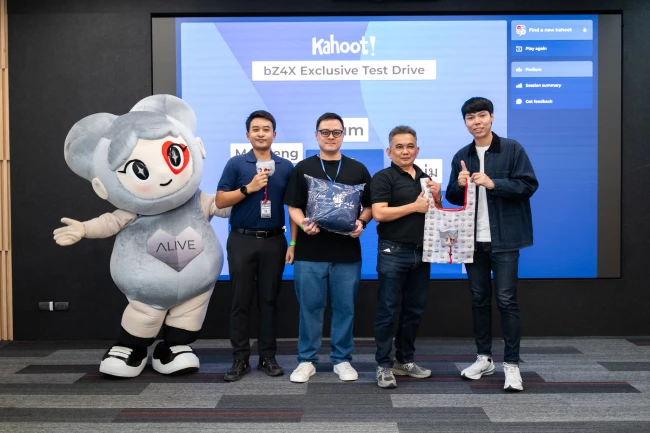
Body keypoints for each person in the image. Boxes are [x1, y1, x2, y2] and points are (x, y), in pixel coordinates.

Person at [445, 97, 538, 392]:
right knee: (479, 300)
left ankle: (512, 364)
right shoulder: (461, 155)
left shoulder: (512, 149)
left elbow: (528, 185)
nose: (477, 122)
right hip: (472, 241)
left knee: (507, 301)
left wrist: (494, 183)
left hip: (505, 239)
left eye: (482, 115)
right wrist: (459, 185)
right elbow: (452, 197)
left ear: (492, 118)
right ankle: (484, 358)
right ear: (465, 122)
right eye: (471, 118)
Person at [284, 112, 372, 383]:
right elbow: (293, 206)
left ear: (344, 135)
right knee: (309, 309)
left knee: (345, 309)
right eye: (325, 132)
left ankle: (342, 359)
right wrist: (303, 224)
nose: (330, 137)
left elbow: (369, 206)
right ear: (316, 135)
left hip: (346, 253)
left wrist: (361, 223)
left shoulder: (358, 169)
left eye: (336, 132)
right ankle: (306, 360)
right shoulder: (303, 168)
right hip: (310, 252)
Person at [215, 110, 296, 382]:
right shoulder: (236, 164)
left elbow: (293, 207)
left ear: (274, 134)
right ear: (248, 134)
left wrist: (293, 242)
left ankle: (267, 357)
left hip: (274, 241)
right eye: (256, 129)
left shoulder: (286, 167)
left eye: (266, 129)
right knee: (240, 301)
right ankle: (240, 359)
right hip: (242, 240)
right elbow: (220, 201)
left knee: (269, 301)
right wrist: (248, 188)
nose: (261, 133)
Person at [370, 125, 441, 389]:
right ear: (389, 151)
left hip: (422, 252)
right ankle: (383, 365)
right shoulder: (383, 177)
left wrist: (437, 195)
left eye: (410, 146)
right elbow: (379, 213)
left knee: (414, 310)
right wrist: (414, 206)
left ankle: (404, 360)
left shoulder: (425, 178)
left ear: (417, 150)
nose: (405, 151)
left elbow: (435, 212)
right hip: (393, 252)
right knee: (387, 311)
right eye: (399, 147)